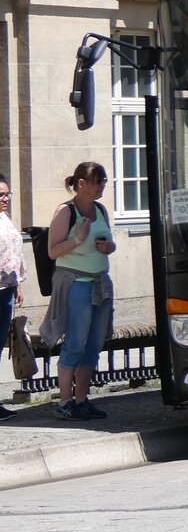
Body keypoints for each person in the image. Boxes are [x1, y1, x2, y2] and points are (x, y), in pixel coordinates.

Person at [39, 162, 116, 422]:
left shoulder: (100, 209)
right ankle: (65, 402)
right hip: (76, 284)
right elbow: (52, 251)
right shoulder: (65, 211)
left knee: (94, 345)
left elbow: (108, 241)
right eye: (98, 181)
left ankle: (82, 400)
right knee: (75, 343)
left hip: (100, 283)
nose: (103, 185)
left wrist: (109, 247)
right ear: (82, 183)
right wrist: (78, 239)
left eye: (104, 181)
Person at [0, 174, 27, 422]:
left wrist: (17, 283)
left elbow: (14, 250)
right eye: (1, 195)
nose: (5, 199)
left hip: (6, 290)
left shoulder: (4, 218)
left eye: (7, 194)